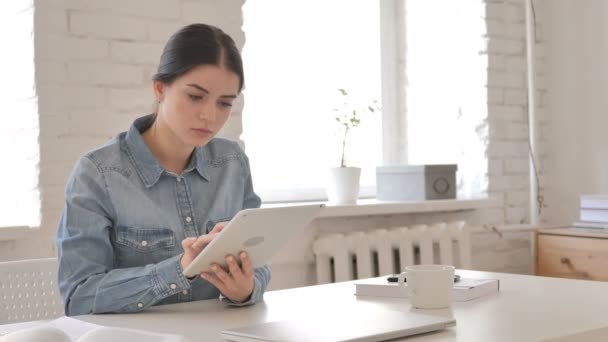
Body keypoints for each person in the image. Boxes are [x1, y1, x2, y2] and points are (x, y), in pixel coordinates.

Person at [56, 23, 270, 316]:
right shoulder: (99, 173)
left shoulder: (232, 163)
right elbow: (79, 297)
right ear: (160, 88)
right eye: (195, 96)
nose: (209, 115)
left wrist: (246, 288)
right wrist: (180, 269)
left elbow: (258, 264)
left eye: (224, 103)